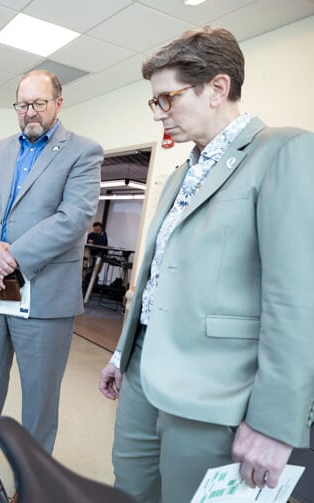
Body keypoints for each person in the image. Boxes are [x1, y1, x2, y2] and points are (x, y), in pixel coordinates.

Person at [98, 26, 314, 502]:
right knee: (129, 490)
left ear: (217, 88)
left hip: (215, 394)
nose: (160, 114)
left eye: (167, 99)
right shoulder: (182, 173)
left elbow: (296, 298)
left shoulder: (283, 152)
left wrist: (276, 422)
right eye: (154, 102)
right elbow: (157, 275)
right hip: (142, 374)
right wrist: (123, 352)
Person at [0, 69, 103, 459]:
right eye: (22, 105)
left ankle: (34, 477)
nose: (30, 112)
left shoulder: (83, 151)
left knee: (39, 397)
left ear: (58, 103)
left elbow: (74, 217)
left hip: (44, 296)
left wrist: (13, 256)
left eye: (38, 103)